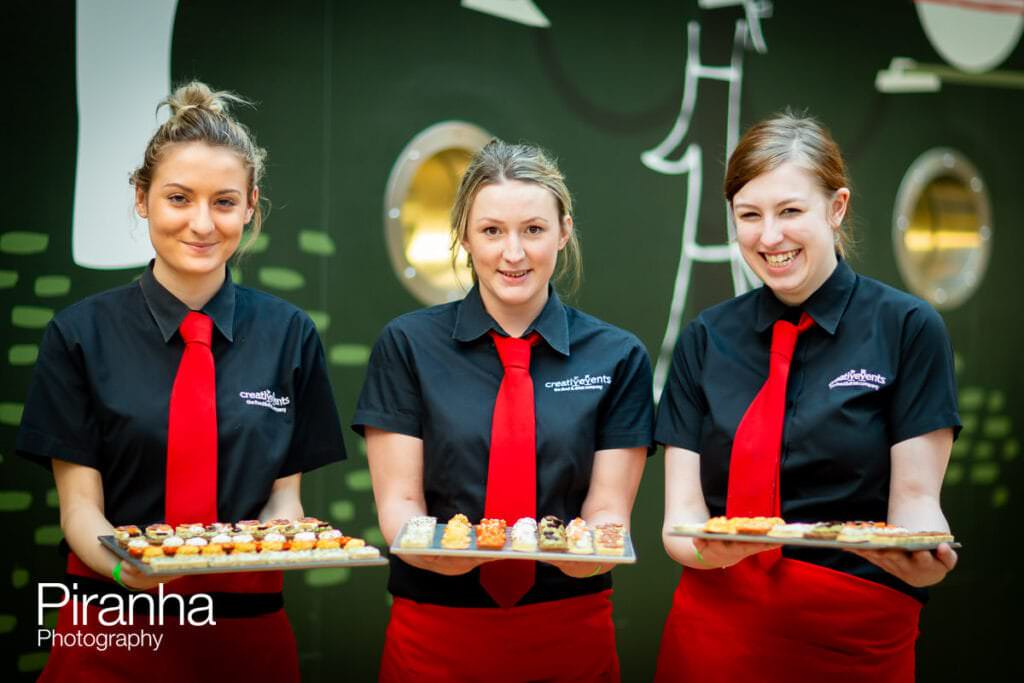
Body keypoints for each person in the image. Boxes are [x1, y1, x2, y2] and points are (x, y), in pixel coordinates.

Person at [17, 81, 346, 682]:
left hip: (248, 634)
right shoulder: (77, 335)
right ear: (141, 199)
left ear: (251, 206)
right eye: (178, 198)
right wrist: (126, 569)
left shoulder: (290, 334)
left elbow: (283, 497)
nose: (202, 223)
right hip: (113, 625)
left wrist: (281, 532)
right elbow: (80, 510)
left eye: (223, 202)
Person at [655, 112, 960, 682]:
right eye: (749, 216)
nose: (769, 237)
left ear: (836, 207)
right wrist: (704, 551)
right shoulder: (704, 338)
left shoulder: (909, 328)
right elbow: (681, 520)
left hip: (854, 636)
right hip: (714, 633)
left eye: (790, 211)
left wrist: (924, 560)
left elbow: (916, 501)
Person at [353, 139, 653, 682]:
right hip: (435, 635)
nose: (513, 253)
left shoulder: (619, 355)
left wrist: (591, 549)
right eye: (491, 231)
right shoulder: (406, 346)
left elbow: (609, 513)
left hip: (570, 633)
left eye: (533, 230)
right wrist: (437, 552)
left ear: (563, 232)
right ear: (464, 236)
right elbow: (399, 504)